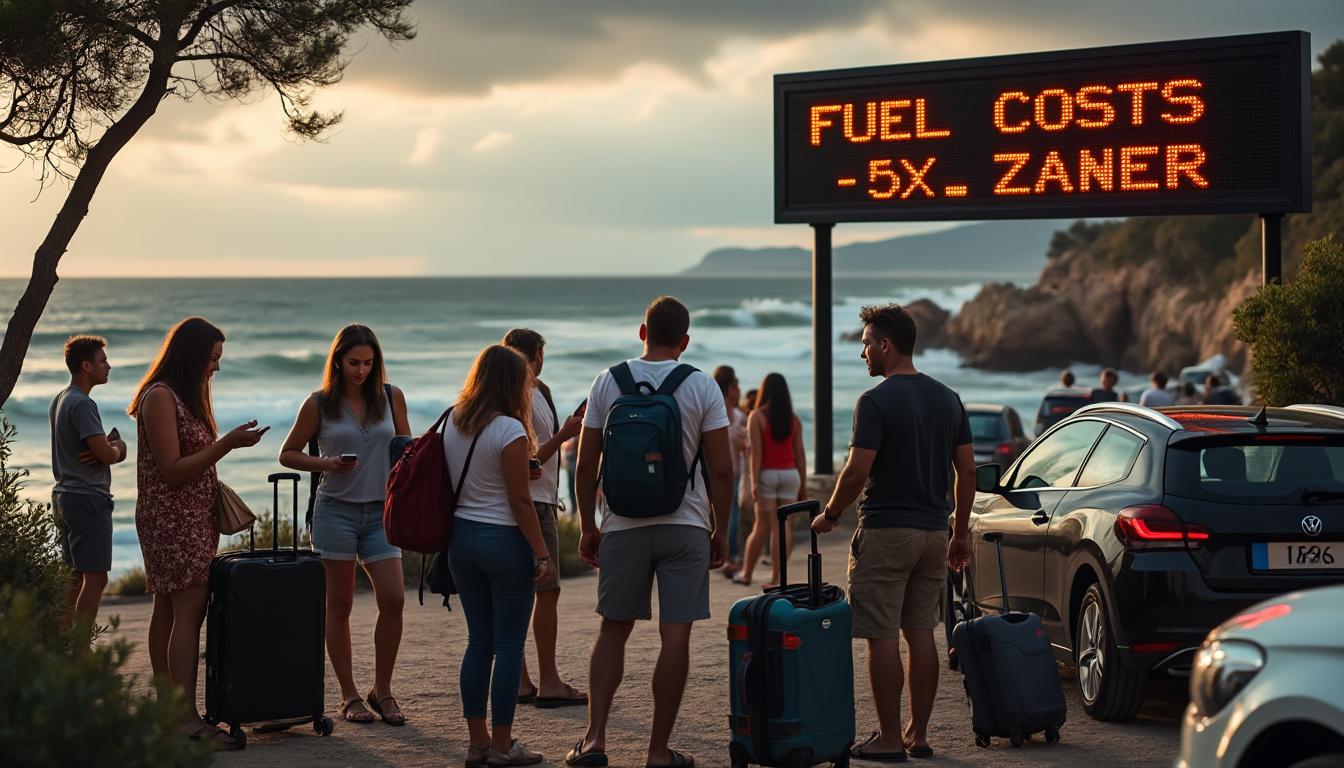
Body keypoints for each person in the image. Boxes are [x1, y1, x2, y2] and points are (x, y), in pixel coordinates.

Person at [566, 296, 734, 768]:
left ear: (642, 332)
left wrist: (588, 524)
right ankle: (658, 752)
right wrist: (719, 529)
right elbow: (722, 469)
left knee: (613, 630)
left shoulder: (607, 381)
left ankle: (595, 741)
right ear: (684, 341)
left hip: (622, 524)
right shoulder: (701, 385)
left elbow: (585, 464)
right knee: (674, 635)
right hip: (686, 524)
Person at [811, 304, 974, 762]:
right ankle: (917, 735)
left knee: (881, 635)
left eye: (865, 343)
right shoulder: (948, 398)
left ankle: (886, 738)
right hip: (932, 535)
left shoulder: (876, 402)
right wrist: (958, 533)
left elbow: (856, 470)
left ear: (886, 345)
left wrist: (831, 513)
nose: (862, 352)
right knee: (921, 632)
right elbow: (966, 470)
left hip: (885, 533)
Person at [128, 317, 266, 749]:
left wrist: (222, 445)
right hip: (171, 519)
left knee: (170, 611)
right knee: (186, 612)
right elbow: (171, 471)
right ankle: (185, 719)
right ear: (191, 355)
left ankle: (170, 711)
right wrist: (226, 444)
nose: (216, 368)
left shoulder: (186, 396)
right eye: (212, 359)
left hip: (191, 516)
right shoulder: (160, 397)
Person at [278, 324, 412, 726]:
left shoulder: (391, 396)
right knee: (339, 606)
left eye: (369, 363)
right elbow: (288, 454)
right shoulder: (318, 403)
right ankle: (349, 695)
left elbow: (406, 447)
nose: (361, 370)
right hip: (334, 508)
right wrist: (327, 464)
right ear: (338, 361)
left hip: (380, 512)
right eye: (354, 362)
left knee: (394, 599)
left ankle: (382, 690)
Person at [444, 345, 555, 767]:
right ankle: (504, 745)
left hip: (460, 539)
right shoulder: (508, 429)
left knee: (479, 643)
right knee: (509, 644)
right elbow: (520, 502)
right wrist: (543, 554)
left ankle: (478, 743)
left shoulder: (453, 420)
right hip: (502, 541)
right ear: (513, 384)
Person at [502, 328, 588, 710]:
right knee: (544, 591)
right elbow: (529, 456)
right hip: (530, 503)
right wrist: (566, 434)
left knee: (532, 592)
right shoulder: (515, 395)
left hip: (541, 501)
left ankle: (526, 681)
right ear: (537, 353)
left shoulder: (540, 391)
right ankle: (543, 681)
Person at [50, 335, 126, 635]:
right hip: (87, 498)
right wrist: (119, 447)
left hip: (64, 494)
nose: (108, 366)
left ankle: (61, 642)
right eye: (102, 361)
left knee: (74, 576)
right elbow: (106, 454)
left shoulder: (60, 399)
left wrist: (104, 450)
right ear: (86, 365)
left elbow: (92, 450)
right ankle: (80, 653)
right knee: (96, 578)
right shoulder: (83, 404)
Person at [734, 373, 807, 587]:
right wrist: (802, 483)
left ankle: (746, 573)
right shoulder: (793, 419)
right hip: (790, 475)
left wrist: (754, 482)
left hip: (767, 475)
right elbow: (800, 453)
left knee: (762, 526)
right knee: (783, 527)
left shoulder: (757, 416)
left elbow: (755, 453)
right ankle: (777, 578)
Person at [712, 365, 747, 578]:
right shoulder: (736, 415)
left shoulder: (711, 408)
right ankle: (729, 555)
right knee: (731, 513)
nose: (740, 389)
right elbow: (742, 443)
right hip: (732, 469)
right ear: (731, 386)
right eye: (737, 384)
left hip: (711, 469)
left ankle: (720, 555)